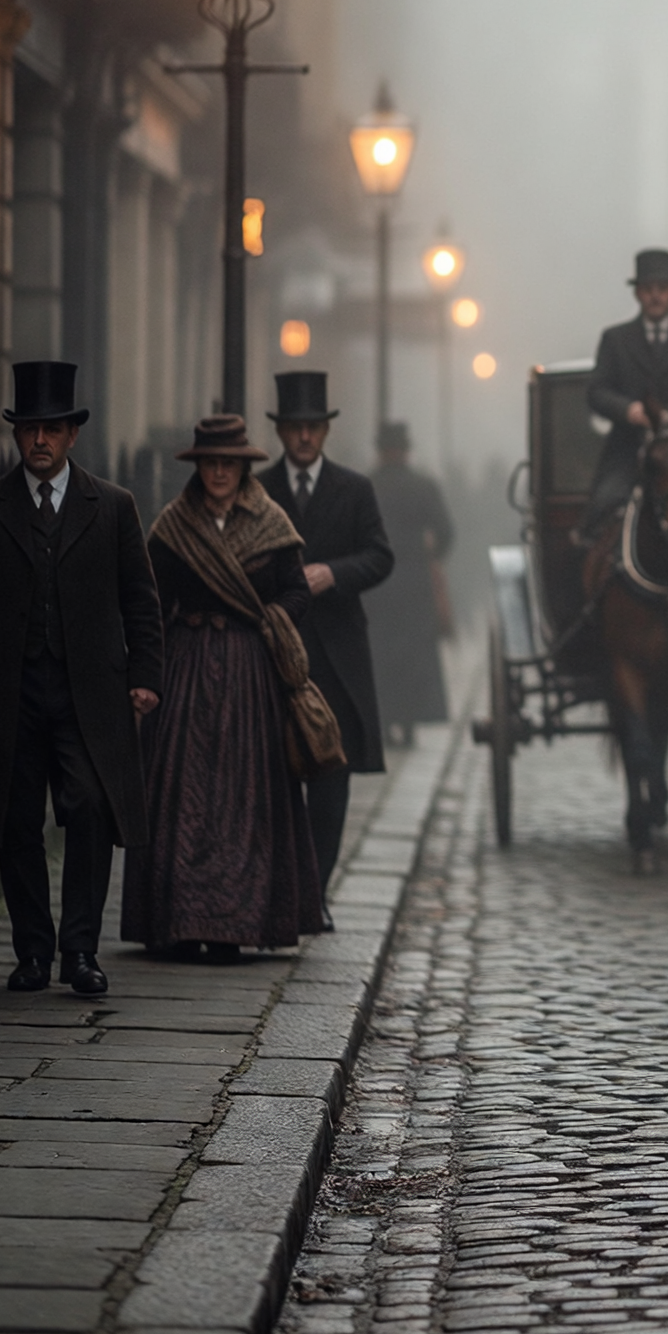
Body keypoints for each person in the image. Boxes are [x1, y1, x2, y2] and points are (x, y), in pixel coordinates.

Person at [0, 362, 162, 996]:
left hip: (89, 692)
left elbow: (140, 599)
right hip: (8, 690)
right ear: (16, 434)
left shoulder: (112, 506)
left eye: (52, 429)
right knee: (15, 818)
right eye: (30, 429)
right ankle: (32, 952)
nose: (40, 440)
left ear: (72, 435)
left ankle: (80, 951)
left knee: (89, 805)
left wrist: (146, 673)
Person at [122, 415, 326, 956]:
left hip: (248, 671)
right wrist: (146, 672)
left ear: (242, 468)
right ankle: (178, 923)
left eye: (228, 464)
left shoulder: (272, 523)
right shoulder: (173, 526)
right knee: (181, 796)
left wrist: (273, 620)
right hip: (187, 669)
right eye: (211, 463)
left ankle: (233, 926)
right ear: (198, 467)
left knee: (244, 795)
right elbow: (150, 601)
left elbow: (296, 591)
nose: (218, 473)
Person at [260, 371, 393, 900]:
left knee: (331, 781)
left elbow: (380, 556)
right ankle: (283, 891)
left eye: (313, 427)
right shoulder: (258, 489)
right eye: (295, 427)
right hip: (274, 654)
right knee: (275, 776)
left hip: (337, 657)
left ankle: (314, 893)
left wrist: (333, 573)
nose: (304, 436)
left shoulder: (354, 489)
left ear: (326, 431)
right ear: (280, 431)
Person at [581, 249, 668, 540]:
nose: (655, 296)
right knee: (600, 508)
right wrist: (628, 410)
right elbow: (596, 392)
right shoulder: (615, 339)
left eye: (662, 288)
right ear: (637, 294)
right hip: (628, 450)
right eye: (648, 289)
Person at [366, 420, 455, 746]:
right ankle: (408, 721)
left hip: (375, 582)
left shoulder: (365, 486)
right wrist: (430, 556)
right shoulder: (423, 485)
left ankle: (384, 721)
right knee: (413, 655)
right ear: (405, 450)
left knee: (379, 654)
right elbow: (445, 532)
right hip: (414, 580)